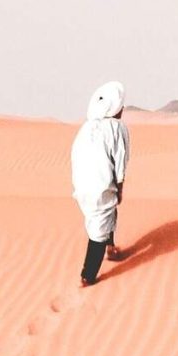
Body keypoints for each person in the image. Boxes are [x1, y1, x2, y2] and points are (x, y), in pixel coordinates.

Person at [70, 81, 129, 285]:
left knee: (104, 215)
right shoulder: (117, 128)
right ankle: (87, 276)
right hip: (101, 185)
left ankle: (110, 248)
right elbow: (121, 161)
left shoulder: (86, 127)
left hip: (82, 186)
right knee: (98, 230)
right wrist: (120, 187)